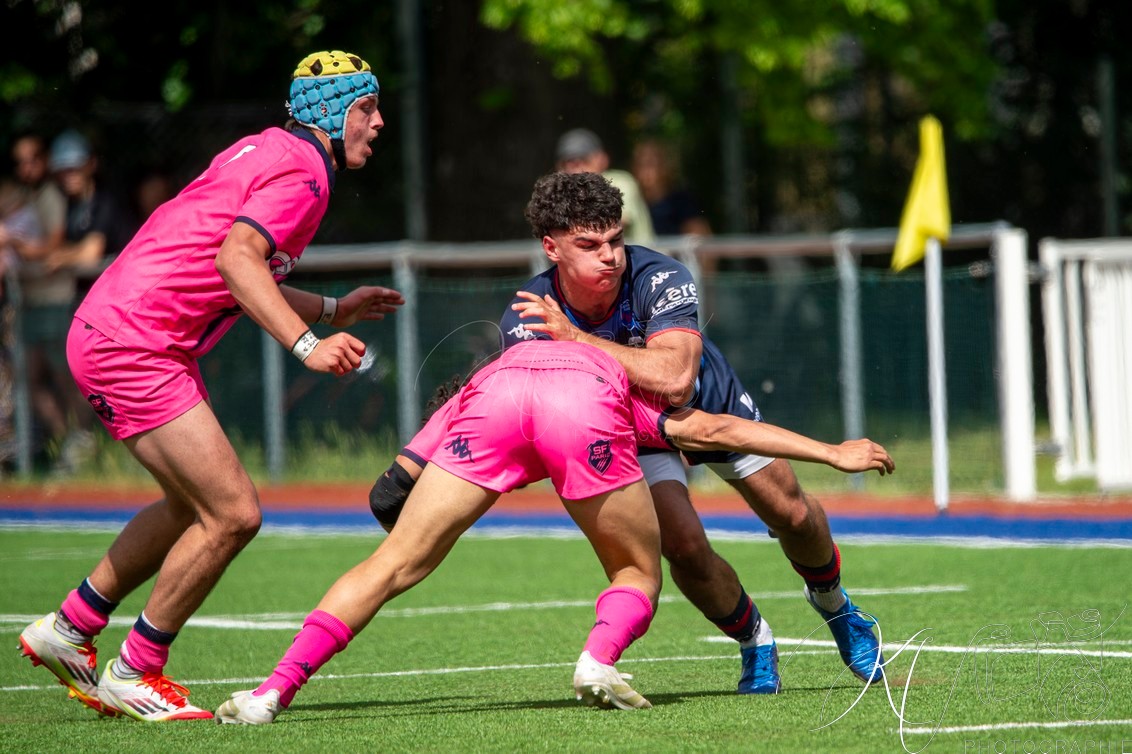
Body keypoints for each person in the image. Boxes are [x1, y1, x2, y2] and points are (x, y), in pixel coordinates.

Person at [17, 50, 405, 723]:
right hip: (137, 341)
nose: (378, 123)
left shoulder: (269, 150)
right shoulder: (306, 173)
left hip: (118, 329)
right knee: (232, 513)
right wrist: (308, 344)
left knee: (184, 505)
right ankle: (136, 668)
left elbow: (242, 265)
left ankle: (71, 626)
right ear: (332, 113)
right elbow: (236, 260)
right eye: (366, 109)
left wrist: (337, 310)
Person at [499, 171, 887, 695]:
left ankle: (835, 606)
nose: (610, 256)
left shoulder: (661, 276)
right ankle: (756, 639)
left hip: (707, 403)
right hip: (630, 430)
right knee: (682, 547)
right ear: (552, 248)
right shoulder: (527, 317)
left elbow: (675, 381)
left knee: (790, 511)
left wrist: (576, 340)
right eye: (589, 245)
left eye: (615, 239)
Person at [214, 339, 664, 724]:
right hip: (580, 404)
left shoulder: (478, 383)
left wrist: (415, 533)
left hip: (493, 406)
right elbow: (695, 419)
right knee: (636, 570)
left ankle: (271, 691)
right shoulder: (605, 361)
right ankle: (597, 661)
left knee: (390, 564)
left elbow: (387, 492)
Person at [555, 128, 656, 245]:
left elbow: (613, 225)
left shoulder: (620, 182)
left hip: (637, 260)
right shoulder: (564, 192)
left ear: (602, 159)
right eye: (568, 162)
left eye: (583, 160)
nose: (575, 168)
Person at [631, 138, 712, 237]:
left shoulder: (683, 202)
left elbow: (702, 241)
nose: (645, 170)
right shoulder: (632, 200)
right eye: (640, 164)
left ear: (666, 167)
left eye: (651, 164)